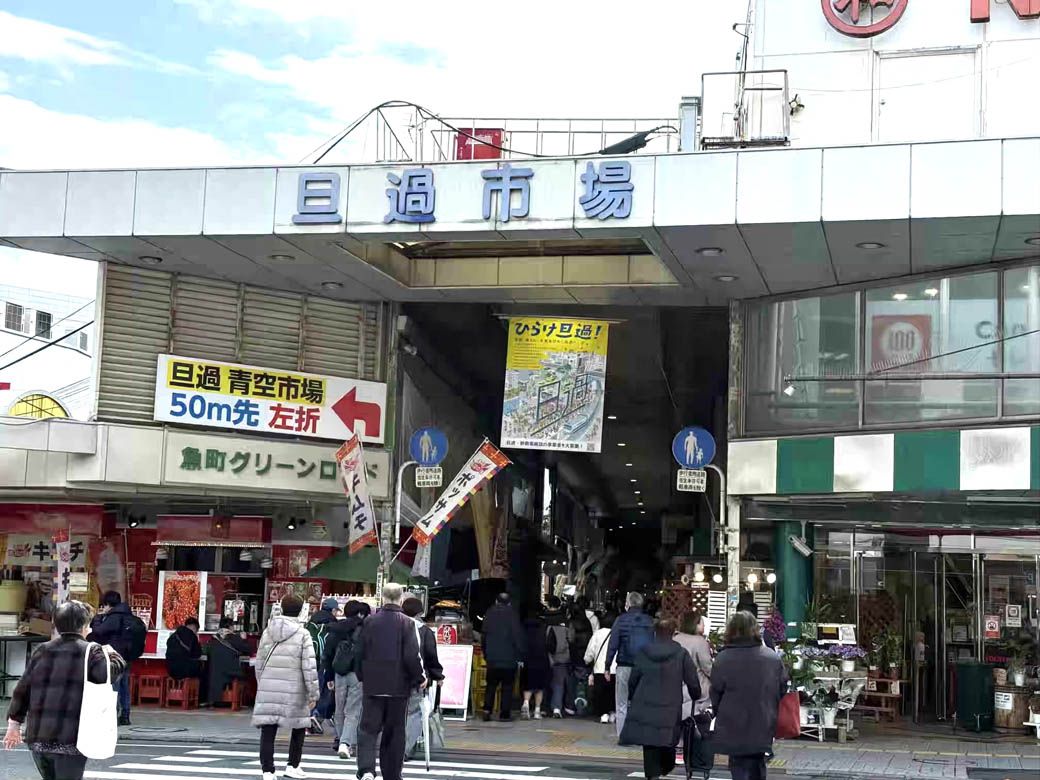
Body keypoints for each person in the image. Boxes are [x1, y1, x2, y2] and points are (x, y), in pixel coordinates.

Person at [4, 600, 127, 780]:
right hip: (71, 737)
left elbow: (22, 689)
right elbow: (108, 674)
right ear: (84, 626)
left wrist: (14, 725)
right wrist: (113, 655)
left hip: (39, 737)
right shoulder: (91, 652)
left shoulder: (42, 650)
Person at [354, 583, 425, 780]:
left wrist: (362, 676)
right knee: (395, 733)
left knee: (368, 729)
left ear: (383, 598)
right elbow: (412, 655)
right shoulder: (407, 623)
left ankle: (367, 769)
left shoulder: (369, 622)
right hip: (398, 686)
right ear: (400, 599)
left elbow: (359, 652)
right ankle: (392, 774)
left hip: (373, 684)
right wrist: (419, 678)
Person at [710, 611, 788, 780]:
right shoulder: (772, 658)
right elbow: (782, 687)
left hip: (732, 721)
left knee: (738, 765)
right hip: (762, 720)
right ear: (755, 630)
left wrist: (719, 712)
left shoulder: (723, 658)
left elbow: (715, 692)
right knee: (757, 764)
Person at [619, 619, 700, 780]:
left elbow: (633, 678)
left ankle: (652, 775)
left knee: (649, 744)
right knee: (667, 741)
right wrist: (695, 694)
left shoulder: (643, 652)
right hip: (670, 707)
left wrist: (632, 697)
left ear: (655, 632)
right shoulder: (680, 653)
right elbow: (692, 680)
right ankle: (665, 766)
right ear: (673, 633)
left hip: (645, 703)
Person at [252, 594, 319, 780]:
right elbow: (309, 666)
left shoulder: (267, 631)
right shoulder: (303, 634)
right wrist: (313, 693)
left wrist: (262, 683)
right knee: (299, 726)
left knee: (268, 729)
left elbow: (259, 662)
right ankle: (293, 765)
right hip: (294, 688)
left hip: (268, 685)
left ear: (281, 608)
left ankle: (267, 770)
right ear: (300, 611)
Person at [88, 590, 145, 726]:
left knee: (115, 686)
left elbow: (99, 632)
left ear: (108, 604)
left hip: (115, 656)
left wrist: (96, 619)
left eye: (104, 605)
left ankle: (113, 714)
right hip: (128, 656)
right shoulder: (128, 615)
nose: (103, 608)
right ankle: (125, 715)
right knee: (125, 686)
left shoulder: (114, 617)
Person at [322, 599, 370, 759]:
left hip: (338, 673)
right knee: (353, 711)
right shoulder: (365, 628)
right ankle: (346, 743)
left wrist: (328, 675)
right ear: (359, 613)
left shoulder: (336, 628)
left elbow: (327, 654)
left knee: (339, 709)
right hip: (358, 674)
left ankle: (342, 740)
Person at [604, 591, 654, 737]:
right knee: (642, 701)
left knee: (621, 702)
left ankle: (623, 735)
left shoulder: (621, 620)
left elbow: (613, 644)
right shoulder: (650, 621)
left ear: (628, 604)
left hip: (624, 664)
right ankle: (640, 734)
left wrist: (607, 666)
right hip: (645, 667)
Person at [674, 611, 715, 778]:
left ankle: (679, 750)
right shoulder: (699, 642)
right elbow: (708, 667)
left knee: (681, 722)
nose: (704, 626)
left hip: (676, 688)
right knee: (698, 725)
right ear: (695, 624)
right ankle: (697, 761)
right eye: (701, 623)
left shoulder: (675, 639)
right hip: (695, 690)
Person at [402, 596, 443, 760]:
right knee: (414, 713)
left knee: (397, 713)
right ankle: (405, 749)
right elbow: (431, 655)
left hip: (394, 677)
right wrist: (437, 675)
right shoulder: (424, 631)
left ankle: (394, 747)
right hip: (417, 678)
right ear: (420, 612)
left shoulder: (395, 626)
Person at [480, 593, 525, 722]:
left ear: (496, 601)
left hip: (492, 657)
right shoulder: (513, 615)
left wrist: (486, 653)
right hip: (509, 658)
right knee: (508, 686)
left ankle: (487, 710)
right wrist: (519, 655)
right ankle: (504, 713)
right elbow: (518, 637)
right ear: (509, 602)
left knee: (491, 685)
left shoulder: (489, 613)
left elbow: (484, 635)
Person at [306, 597, 340, 734]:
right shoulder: (333, 624)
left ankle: (310, 720)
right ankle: (316, 714)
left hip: (311, 660)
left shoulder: (311, 622)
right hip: (326, 662)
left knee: (313, 691)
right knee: (326, 690)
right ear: (332, 609)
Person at [207, 617, 251, 706]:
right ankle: (242, 701)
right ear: (231, 627)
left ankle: (215, 700)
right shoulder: (234, 637)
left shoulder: (214, 638)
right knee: (246, 675)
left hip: (215, 672)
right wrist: (244, 639)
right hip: (231, 671)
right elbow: (247, 650)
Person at [583, 611, 617, 724]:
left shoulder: (597, 634)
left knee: (601, 693)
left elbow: (590, 651)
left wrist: (587, 659)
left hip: (599, 669)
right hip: (614, 668)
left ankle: (604, 714)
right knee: (613, 692)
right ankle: (613, 713)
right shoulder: (617, 634)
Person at [544, 596, 571, 718]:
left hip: (546, 656)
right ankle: (556, 709)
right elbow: (571, 638)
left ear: (549, 605)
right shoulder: (564, 620)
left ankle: (543, 708)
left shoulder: (543, 618)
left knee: (545, 682)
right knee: (559, 683)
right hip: (562, 656)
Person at [520, 612, 550, 720]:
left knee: (528, 685)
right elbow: (549, 644)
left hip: (528, 660)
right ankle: (537, 711)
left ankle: (526, 702)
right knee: (539, 688)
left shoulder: (523, 630)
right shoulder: (543, 629)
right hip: (541, 660)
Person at [165, 617, 204, 682]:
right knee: (201, 667)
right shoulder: (192, 636)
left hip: (170, 670)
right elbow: (197, 655)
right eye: (196, 631)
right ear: (194, 628)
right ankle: (197, 691)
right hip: (183, 671)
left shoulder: (174, 635)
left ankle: (180, 688)